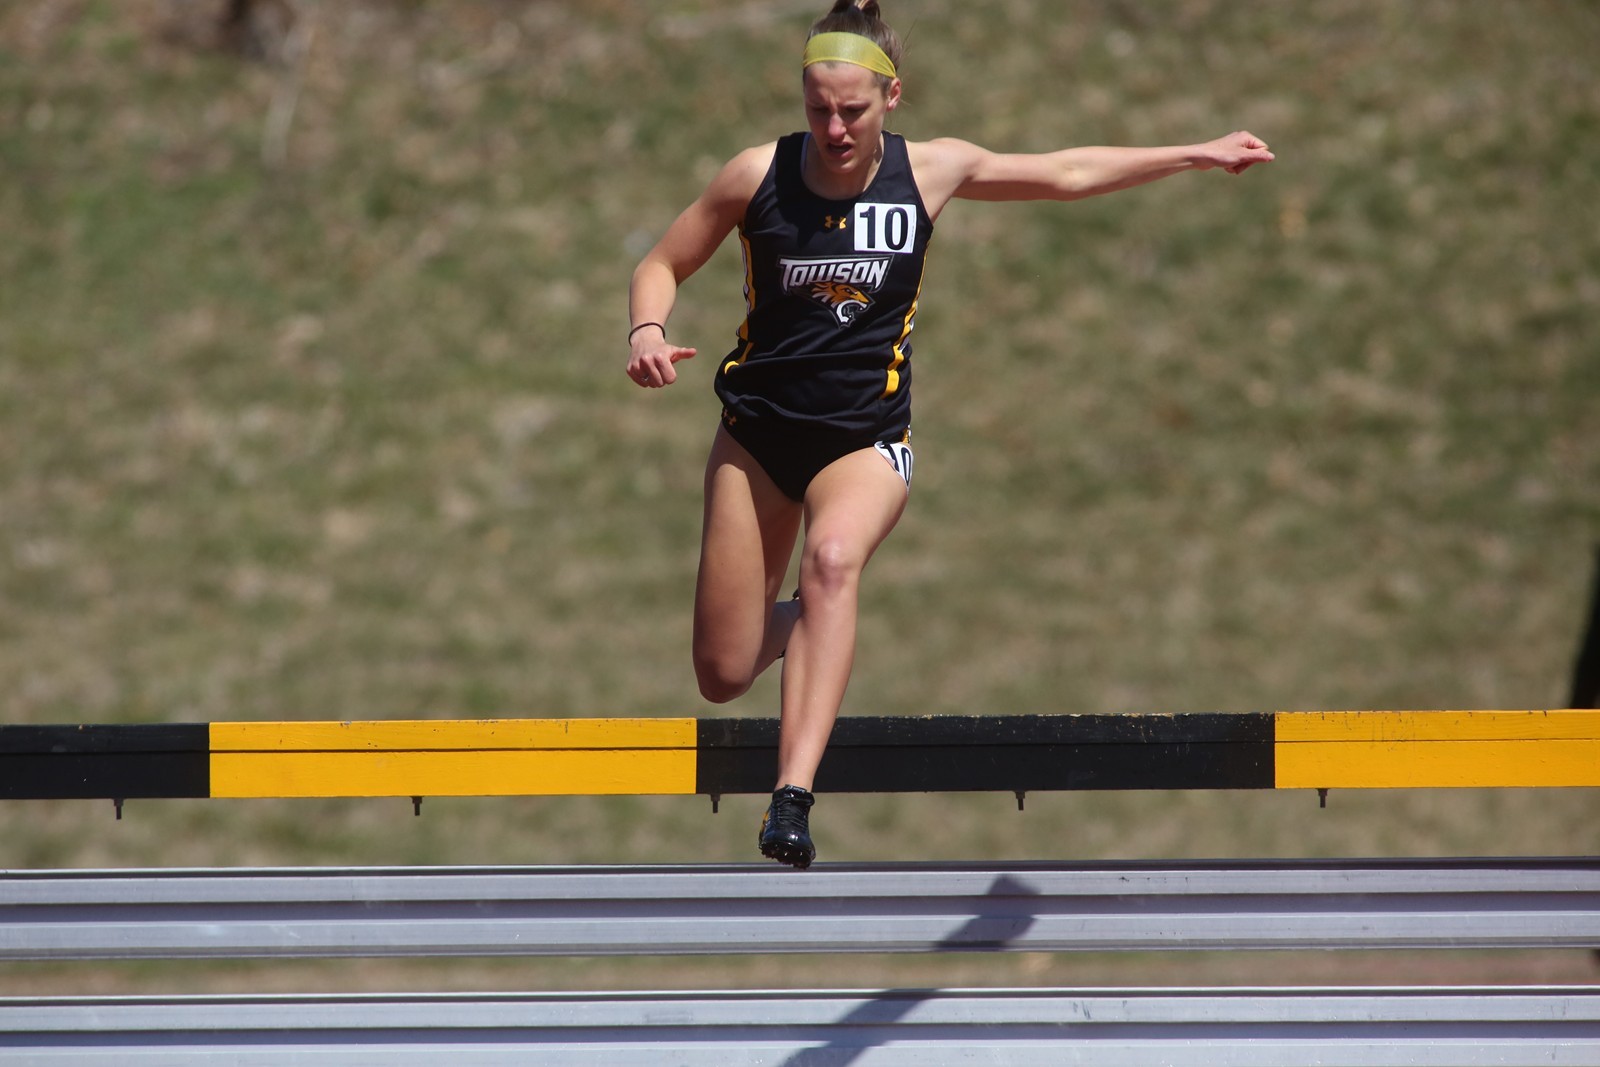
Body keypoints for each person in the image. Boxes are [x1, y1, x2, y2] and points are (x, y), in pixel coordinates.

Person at [626, 0, 1274, 869]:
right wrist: (646, 331)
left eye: (852, 109)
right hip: (755, 437)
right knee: (725, 669)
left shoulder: (931, 170)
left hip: (864, 441)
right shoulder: (757, 175)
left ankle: (791, 797)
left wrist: (1192, 152)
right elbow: (662, 261)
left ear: (892, 97)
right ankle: (828, 623)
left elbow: (1068, 172)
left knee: (832, 563)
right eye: (818, 107)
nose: (833, 126)